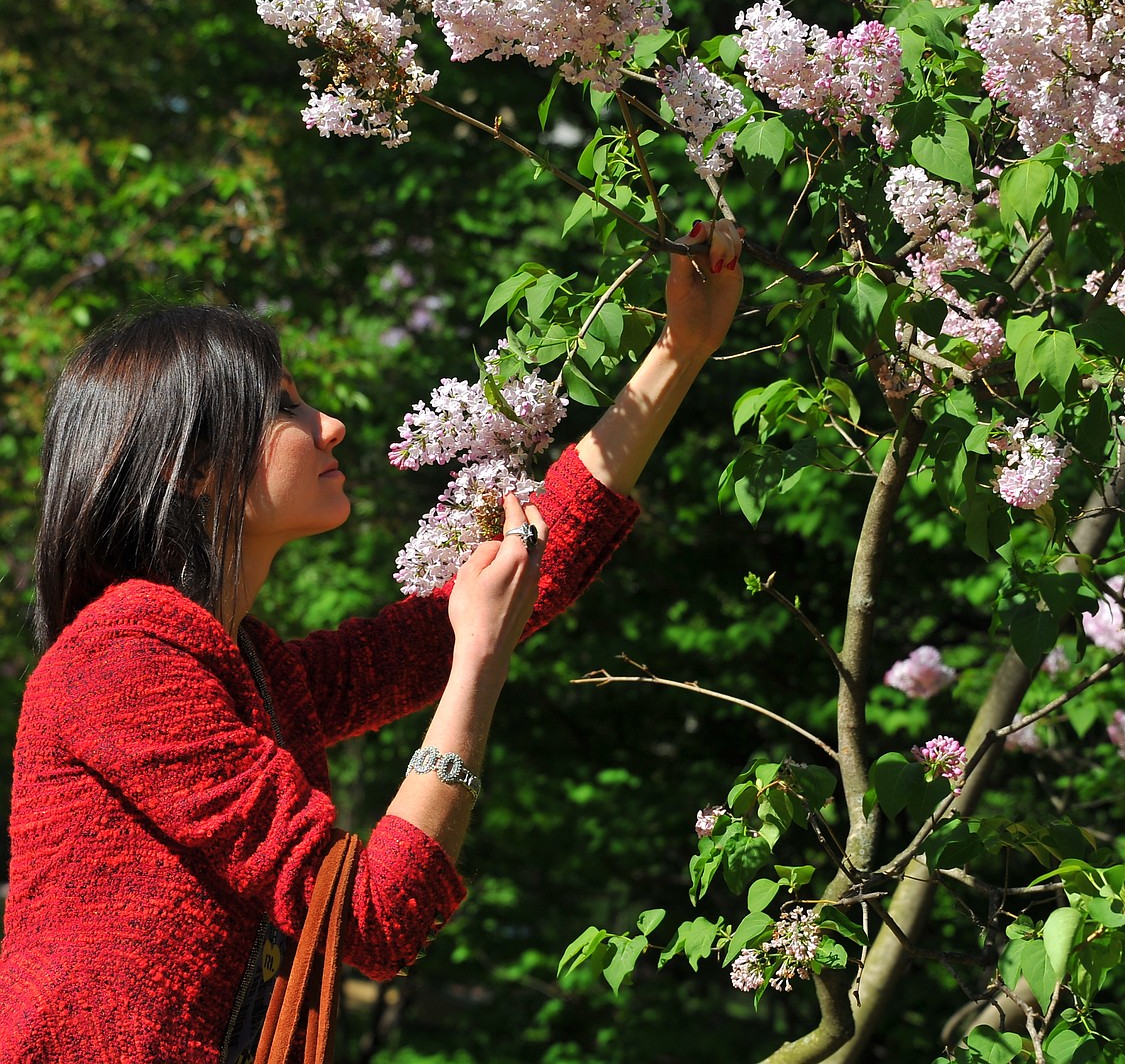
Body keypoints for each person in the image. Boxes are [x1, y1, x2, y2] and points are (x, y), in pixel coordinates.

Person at [0, 220, 743, 1064]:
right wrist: (478, 666)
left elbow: (518, 574)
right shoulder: (125, 661)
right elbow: (368, 913)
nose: (334, 423)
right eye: (284, 407)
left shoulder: (246, 669)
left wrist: (681, 350)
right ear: (193, 467)